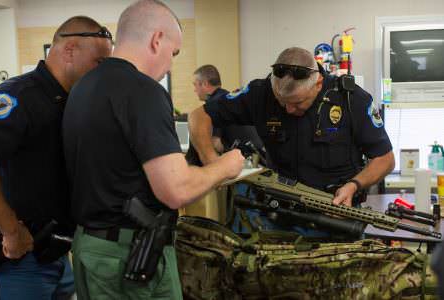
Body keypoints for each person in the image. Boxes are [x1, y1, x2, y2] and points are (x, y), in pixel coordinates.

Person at [62, 1, 244, 299]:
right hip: (128, 255)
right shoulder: (142, 91)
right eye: (173, 53)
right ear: (156, 39)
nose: (170, 65)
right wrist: (225, 167)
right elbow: (175, 190)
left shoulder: (84, 87)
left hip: (93, 247)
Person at [189, 47, 395, 231]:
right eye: (282, 102)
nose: (288, 110)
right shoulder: (261, 93)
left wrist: (354, 185)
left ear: (318, 84)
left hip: (335, 217)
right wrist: (211, 162)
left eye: (297, 103)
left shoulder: (352, 100)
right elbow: (199, 116)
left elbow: (385, 159)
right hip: (278, 216)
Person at [0, 16, 113, 300]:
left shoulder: (72, 100)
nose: (102, 72)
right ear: (69, 50)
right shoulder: (18, 96)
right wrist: (10, 230)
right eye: (99, 62)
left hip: (58, 251)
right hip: (20, 257)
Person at [186, 64, 263, 165]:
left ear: (204, 84)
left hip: (243, 164)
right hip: (257, 159)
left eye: (195, 85)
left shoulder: (213, 108)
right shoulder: (231, 99)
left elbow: (215, 144)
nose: (194, 90)